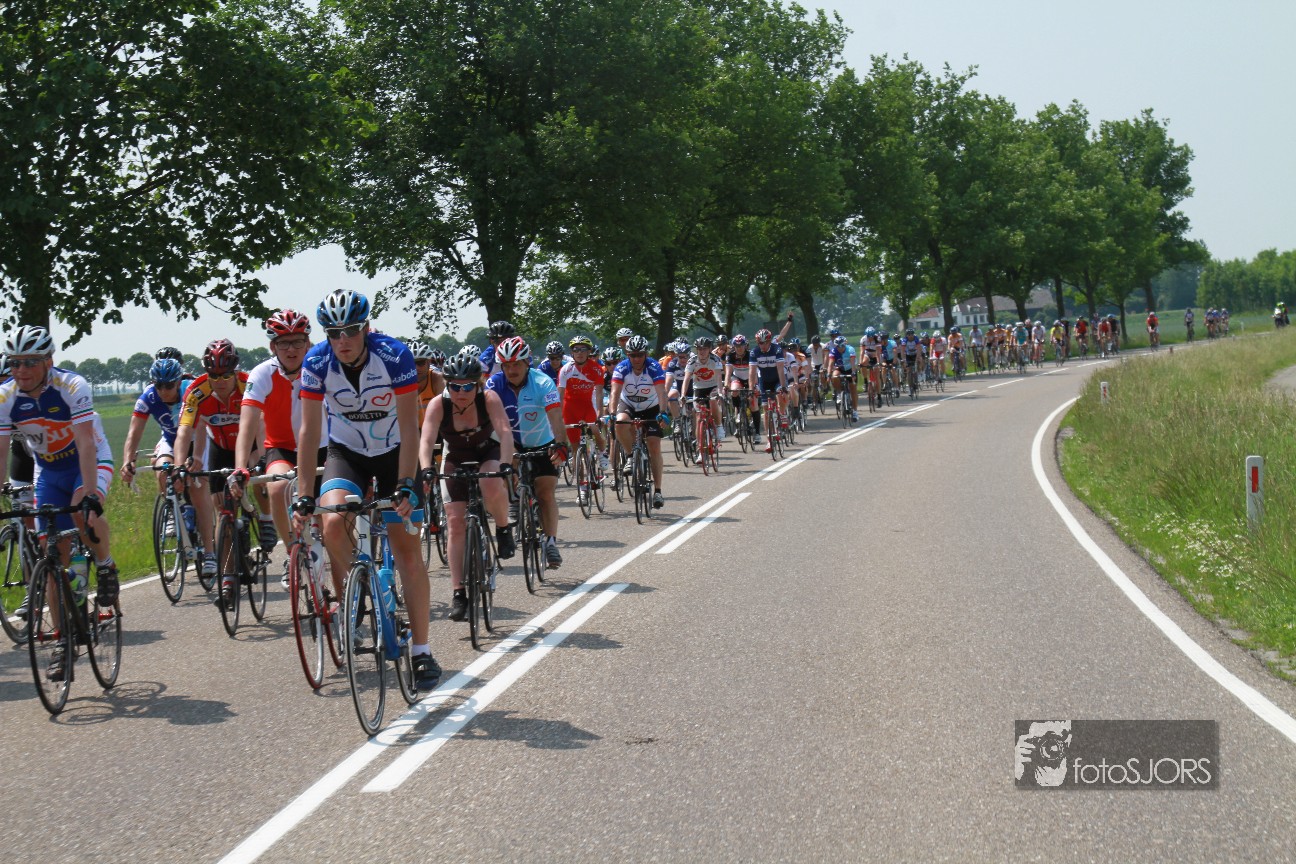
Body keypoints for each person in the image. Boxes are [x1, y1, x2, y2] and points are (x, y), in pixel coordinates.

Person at [293, 289, 441, 690]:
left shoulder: (393, 356)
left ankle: (422, 651)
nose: (343, 340)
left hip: (395, 452)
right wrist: (304, 493)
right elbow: (309, 432)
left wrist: (407, 484)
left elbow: (409, 427)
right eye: (333, 332)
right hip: (347, 453)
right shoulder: (316, 362)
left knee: (406, 550)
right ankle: (358, 589)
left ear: (366, 328)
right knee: (332, 522)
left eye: (351, 330)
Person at [0, 326, 118, 680]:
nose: (21, 370)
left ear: (48, 362)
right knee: (51, 554)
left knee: (83, 513)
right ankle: (64, 642)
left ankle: (105, 564)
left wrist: (90, 493)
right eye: (14, 362)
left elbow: (85, 442)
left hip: (88, 461)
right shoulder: (5, 396)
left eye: (30, 362)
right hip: (48, 471)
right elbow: (0, 450)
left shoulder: (71, 386)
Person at [228, 310, 327, 580]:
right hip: (282, 447)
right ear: (273, 347)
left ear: (308, 343)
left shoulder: (321, 368)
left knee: (327, 510)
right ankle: (293, 553)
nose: (291, 349)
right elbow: (247, 425)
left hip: (322, 447)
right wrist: (240, 467)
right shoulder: (262, 374)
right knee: (277, 488)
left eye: (298, 341)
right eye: (284, 343)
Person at [419, 353, 514, 621]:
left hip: (487, 451)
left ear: (478, 384)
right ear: (447, 385)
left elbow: (505, 432)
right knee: (455, 522)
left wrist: (506, 464)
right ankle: (459, 592)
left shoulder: (489, 399)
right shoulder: (438, 404)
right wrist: (426, 469)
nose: (461, 392)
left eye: (468, 386)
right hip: (455, 457)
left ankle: (503, 528)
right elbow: (426, 440)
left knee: (491, 481)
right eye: (455, 386)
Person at [172, 339, 251, 591]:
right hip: (220, 447)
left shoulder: (248, 385)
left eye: (226, 375)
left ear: (235, 371)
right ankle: (227, 575)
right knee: (222, 510)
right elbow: (184, 431)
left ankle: (265, 519)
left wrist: (258, 459)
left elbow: (263, 424)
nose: (220, 381)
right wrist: (178, 466)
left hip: (250, 444)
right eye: (214, 376)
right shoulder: (196, 392)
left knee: (262, 483)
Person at [485, 336, 569, 567]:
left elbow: (555, 416)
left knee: (545, 493)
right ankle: (513, 500)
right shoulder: (494, 384)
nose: (511, 370)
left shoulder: (543, 382)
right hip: (508, 441)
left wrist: (561, 444)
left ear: (527, 363)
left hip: (542, 441)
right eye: (506, 366)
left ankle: (550, 542)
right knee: (503, 471)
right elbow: (486, 420)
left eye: (516, 364)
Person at [608, 335, 669, 507]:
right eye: (632, 355)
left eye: (640, 355)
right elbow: (615, 392)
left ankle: (658, 491)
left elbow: (661, 392)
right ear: (627, 355)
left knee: (654, 445)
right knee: (620, 422)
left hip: (651, 407)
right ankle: (630, 456)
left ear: (645, 354)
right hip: (629, 404)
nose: (636, 359)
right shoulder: (622, 368)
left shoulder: (654, 367)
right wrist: (612, 413)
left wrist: (663, 412)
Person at [121, 357, 194, 497]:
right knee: (163, 473)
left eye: (169, 386)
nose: (163, 390)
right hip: (170, 440)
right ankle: (171, 508)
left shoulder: (190, 392)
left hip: (194, 441)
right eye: (159, 385)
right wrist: (127, 461)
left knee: (196, 488)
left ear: (178, 383)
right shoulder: (148, 397)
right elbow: (134, 433)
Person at [558, 336, 611, 481]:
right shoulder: (565, 370)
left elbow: (599, 394)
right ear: (572, 353)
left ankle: (602, 452)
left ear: (589, 352)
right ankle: (581, 484)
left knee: (594, 429)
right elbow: (560, 395)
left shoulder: (596, 369)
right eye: (576, 350)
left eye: (583, 349)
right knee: (576, 448)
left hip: (587, 406)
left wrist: (599, 414)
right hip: (570, 408)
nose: (579, 353)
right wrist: (558, 417)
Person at [681, 336, 725, 463]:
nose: (702, 352)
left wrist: (720, 392)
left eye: (705, 349)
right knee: (699, 417)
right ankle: (700, 452)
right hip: (699, 389)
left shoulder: (715, 359)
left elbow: (718, 377)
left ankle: (719, 426)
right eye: (699, 349)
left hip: (713, 387)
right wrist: (683, 395)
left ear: (710, 349)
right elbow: (686, 379)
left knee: (713, 400)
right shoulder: (692, 361)